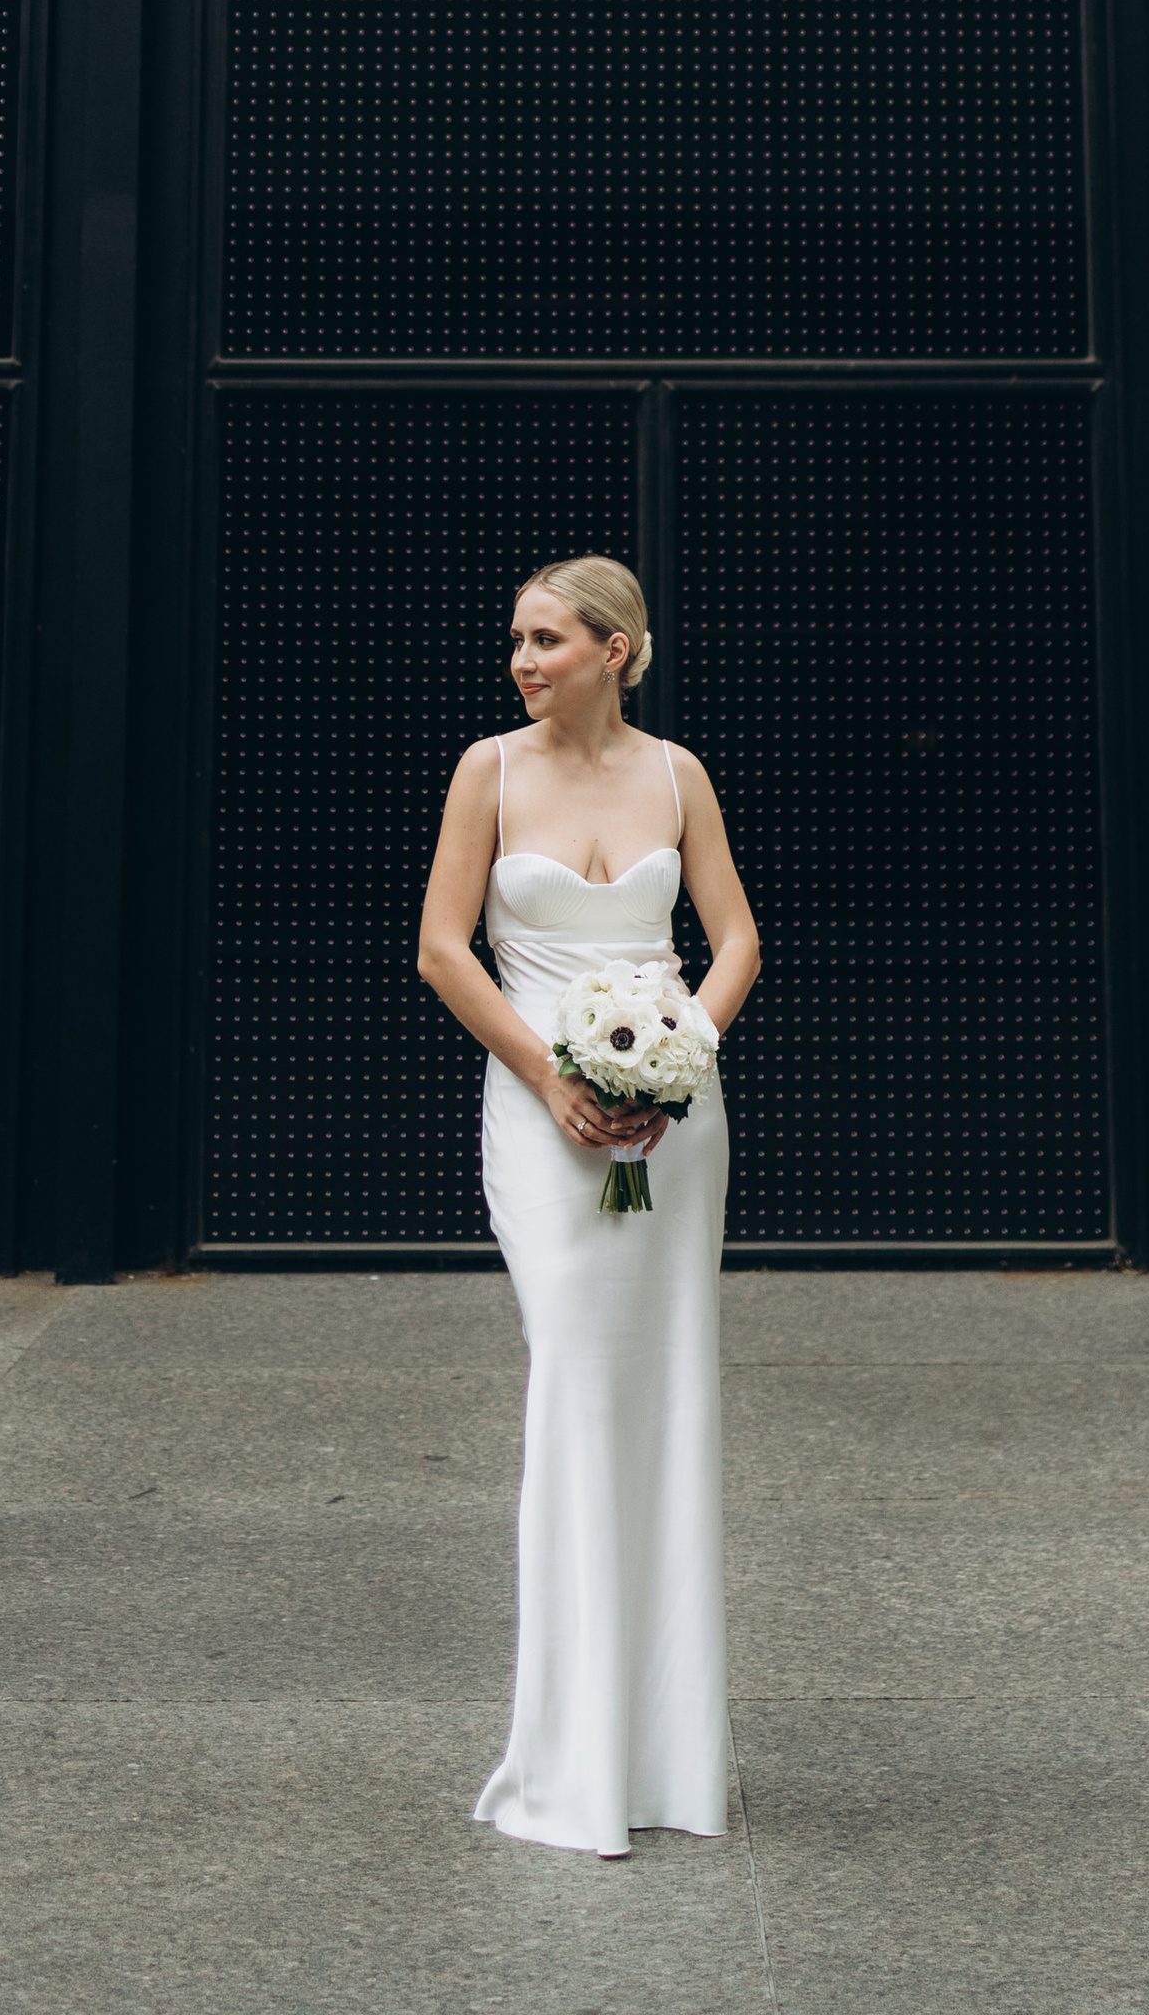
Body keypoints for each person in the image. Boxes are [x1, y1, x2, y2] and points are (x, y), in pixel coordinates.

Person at [417, 553, 761, 1860]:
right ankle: (568, 1760)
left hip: (676, 1121)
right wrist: (551, 1077)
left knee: (672, 1393)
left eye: (549, 639)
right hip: (541, 1111)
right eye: (517, 639)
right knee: (572, 1383)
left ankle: (669, 1757)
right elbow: (444, 946)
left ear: (617, 649)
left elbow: (735, 937)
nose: (522, 659)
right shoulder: (485, 772)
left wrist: (685, 1053)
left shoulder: (678, 775)